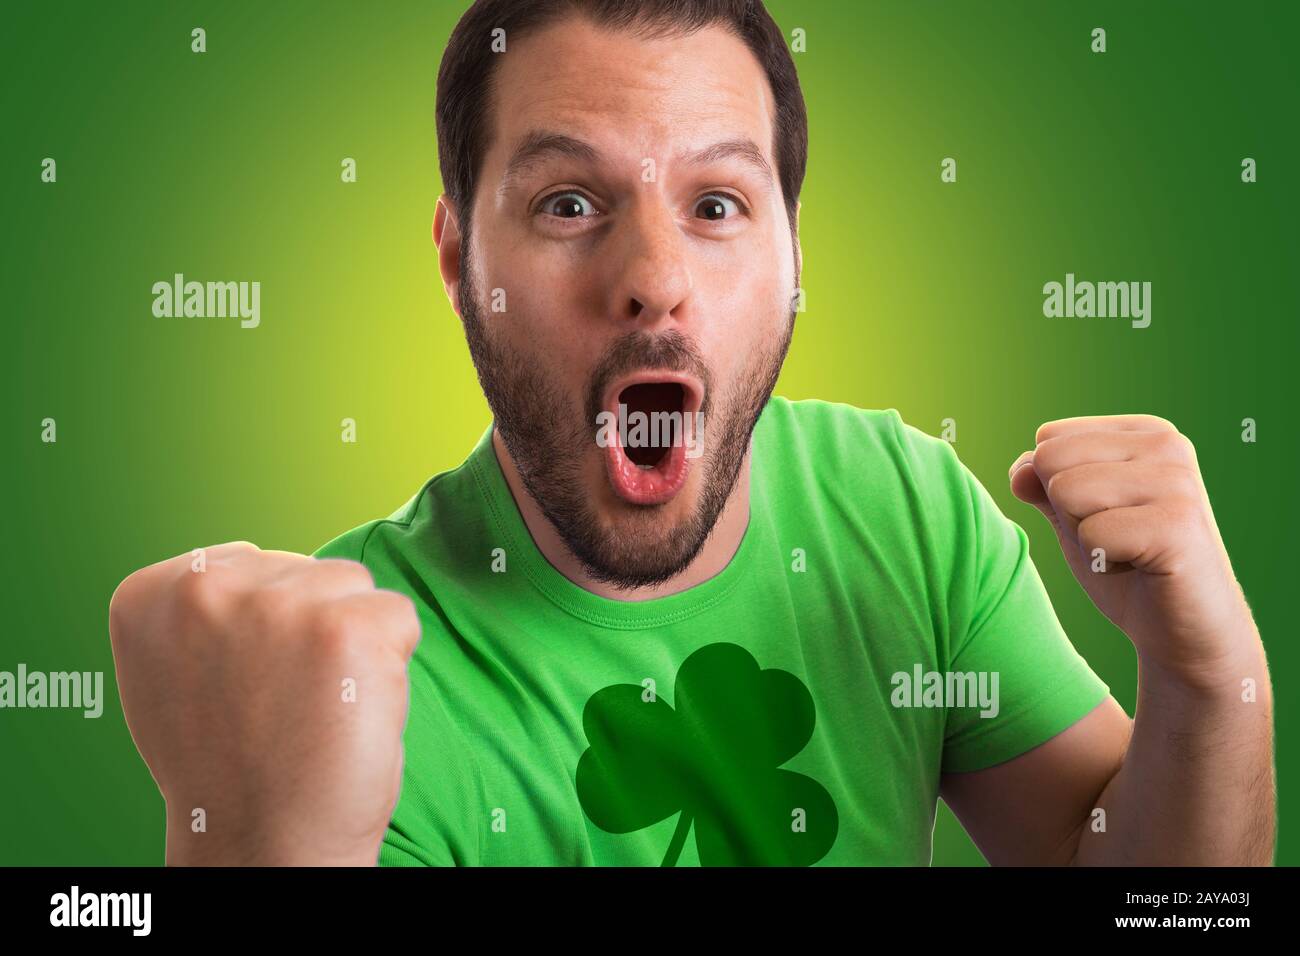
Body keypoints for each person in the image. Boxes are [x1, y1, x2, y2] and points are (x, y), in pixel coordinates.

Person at [107, 0, 1274, 866]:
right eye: (569, 203)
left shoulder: (903, 506)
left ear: (795, 261)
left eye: (717, 206)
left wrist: (1209, 681)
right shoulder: (339, 675)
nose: (655, 279)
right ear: (460, 260)